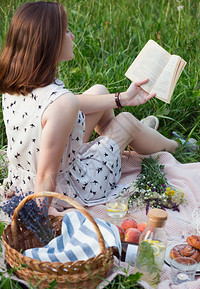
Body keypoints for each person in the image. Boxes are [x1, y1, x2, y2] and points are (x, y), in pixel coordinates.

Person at [0, 2, 180, 210]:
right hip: (67, 189)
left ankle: (124, 138)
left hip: (22, 179)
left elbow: (63, 105)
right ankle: (173, 145)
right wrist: (39, 223)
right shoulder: (63, 103)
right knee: (126, 121)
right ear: (51, 43)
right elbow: (45, 176)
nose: (72, 36)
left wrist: (123, 98)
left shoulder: (14, 82)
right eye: (66, 31)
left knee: (100, 91)